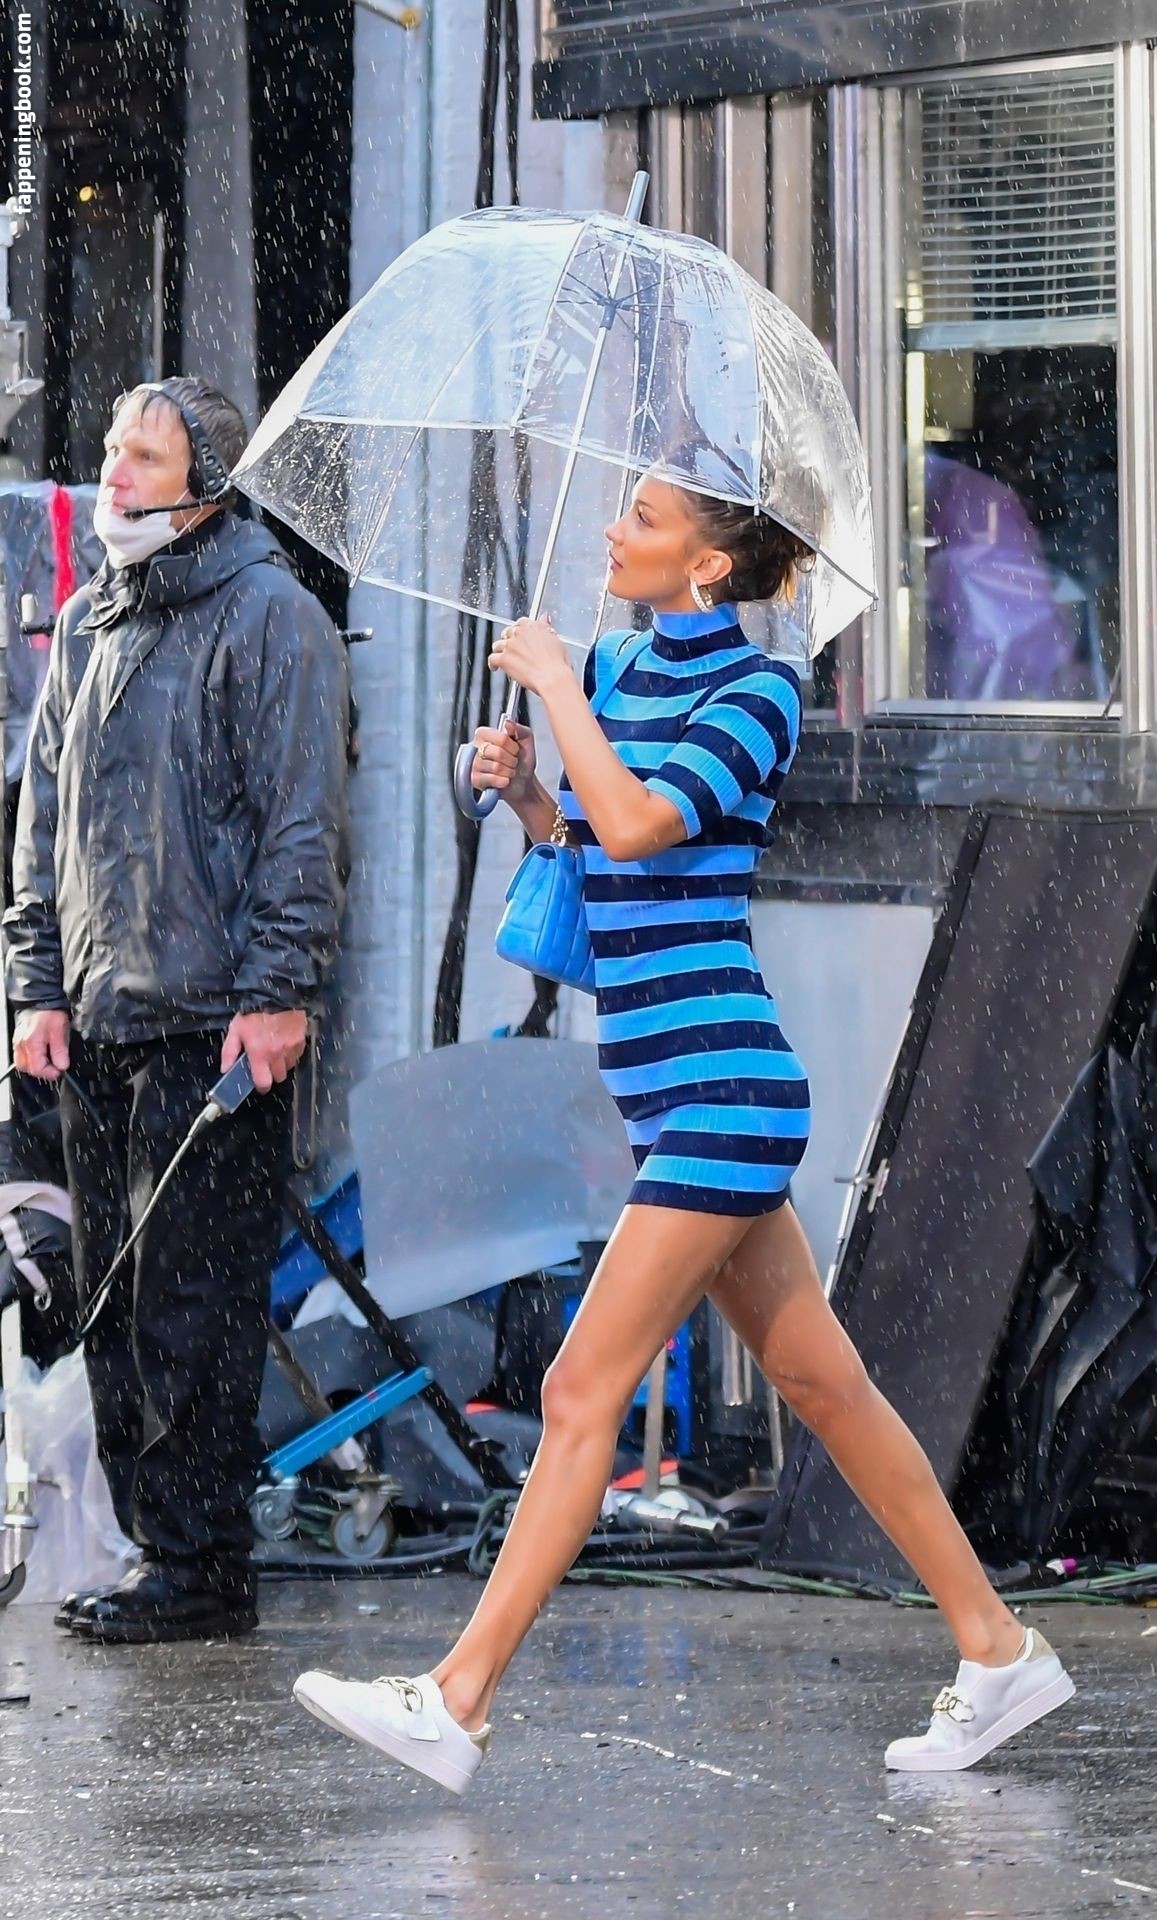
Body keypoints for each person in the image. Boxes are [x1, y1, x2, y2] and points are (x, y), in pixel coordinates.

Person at [294, 473, 1074, 1785]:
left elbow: (647, 825)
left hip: (724, 1091)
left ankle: (457, 1699)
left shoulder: (757, 696)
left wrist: (555, 693)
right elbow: (599, 868)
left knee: (576, 1392)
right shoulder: (613, 669)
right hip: (668, 1093)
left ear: (710, 565)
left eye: (645, 520)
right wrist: (531, 799)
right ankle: (997, 1649)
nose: (614, 529)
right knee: (826, 1388)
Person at [4, 376, 351, 1643]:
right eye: (112, 449)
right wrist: (35, 983)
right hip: (98, 1019)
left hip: (214, 1026)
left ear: (206, 485)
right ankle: (160, 1547)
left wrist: (277, 992)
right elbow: (42, 819)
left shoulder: (274, 618)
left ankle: (203, 1564)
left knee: (190, 1309)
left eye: (145, 457)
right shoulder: (92, 618)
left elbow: (302, 824)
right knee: (110, 1298)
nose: (115, 473)